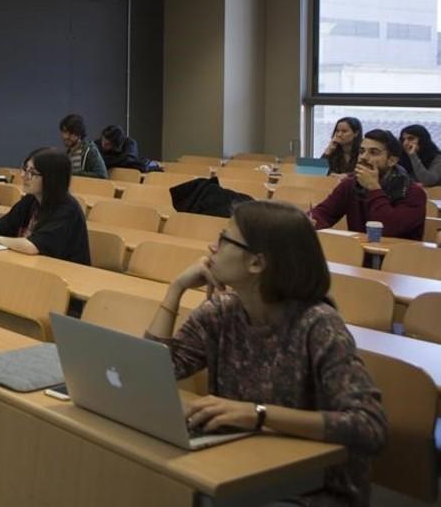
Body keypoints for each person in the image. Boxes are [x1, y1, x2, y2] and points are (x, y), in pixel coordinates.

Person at [145, 201, 386, 506]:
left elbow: (369, 426)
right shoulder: (221, 312)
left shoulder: (319, 325)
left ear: (257, 263)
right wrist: (175, 290)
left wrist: (258, 415)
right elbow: (151, 377)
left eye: (223, 239)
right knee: (151, 480)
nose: (211, 247)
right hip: (237, 465)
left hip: (313, 488)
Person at [0, 148, 90, 263]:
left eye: (32, 173)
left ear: (51, 178)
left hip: (62, 278)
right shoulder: (31, 200)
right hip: (33, 268)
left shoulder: (67, 210)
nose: (24, 176)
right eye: (25, 169)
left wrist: (0, 240)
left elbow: (33, 246)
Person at [309, 129, 427, 240]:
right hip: (357, 254)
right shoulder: (350, 184)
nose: (364, 157)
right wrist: (311, 221)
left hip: (400, 258)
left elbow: (387, 230)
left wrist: (373, 188)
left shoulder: (413, 193)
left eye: (374, 152)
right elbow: (324, 213)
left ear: (392, 161)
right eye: (361, 151)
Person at [59, 113, 107, 178]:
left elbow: (102, 176)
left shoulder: (90, 151)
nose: (66, 136)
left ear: (79, 134)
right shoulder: (68, 153)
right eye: (64, 132)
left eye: (71, 133)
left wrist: (76, 174)